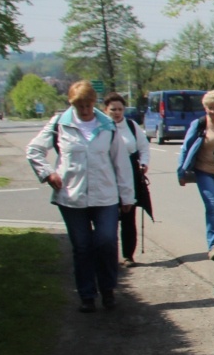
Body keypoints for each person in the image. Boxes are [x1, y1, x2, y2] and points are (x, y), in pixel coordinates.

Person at [26, 80, 135, 313]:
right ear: (72, 104)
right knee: (82, 246)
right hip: (71, 197)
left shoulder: (108, 125)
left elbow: (121, 163)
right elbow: (34, 150)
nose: (85, 111)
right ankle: (87, 295)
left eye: (88, 105)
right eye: (79, 107)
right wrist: (48, 173)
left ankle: (107, 290)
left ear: (94, 103)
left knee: (106, 241)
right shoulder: (60, 123)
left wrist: (127, 197)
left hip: (105, 195)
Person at [177, 90, 214, 262]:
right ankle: (212, 245)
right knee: (212, 205)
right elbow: (186, 147)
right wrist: (181, 172)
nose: (211, 111)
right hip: (204, 170)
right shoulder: (199, 124)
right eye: (208, 107)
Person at [104, 92, 151, 267]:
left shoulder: (131, 126)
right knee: (108, 218)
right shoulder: (102, 128)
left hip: (130, 174)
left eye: (120, 109)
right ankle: (109, 255)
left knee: (128, 215)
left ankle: (128, 255)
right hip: (107, 174)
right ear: (105, 110)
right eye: (113, 109)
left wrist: (144, 163)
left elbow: (144, 147)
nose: (117, 113)